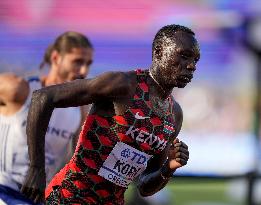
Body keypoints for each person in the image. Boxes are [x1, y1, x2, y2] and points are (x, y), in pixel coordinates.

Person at [21, 24, 200, 204]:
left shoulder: (174, 115)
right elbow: (42, 97)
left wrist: (168, 169)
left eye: (196, 60)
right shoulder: (123, 85)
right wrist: (36, 168)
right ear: (159, 52)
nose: (192, 66)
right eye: (184, 56)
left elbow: (144, 187)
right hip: (70, 197)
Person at [0, 31, 93, 204]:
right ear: (56, 58)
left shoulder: (80, 109)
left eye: (88, 64)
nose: (84, 71)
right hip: (5, 189)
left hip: (37, 198)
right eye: (77, 62)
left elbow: (78, 162)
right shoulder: (19, 89)